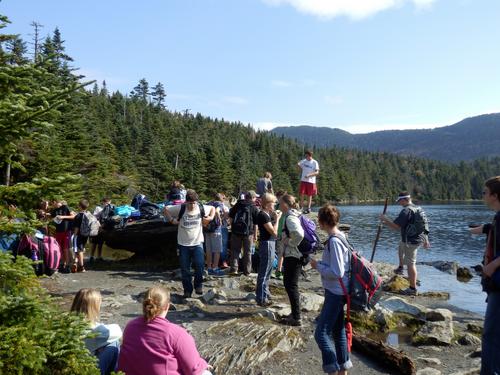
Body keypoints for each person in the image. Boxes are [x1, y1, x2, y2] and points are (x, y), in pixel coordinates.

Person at [118, 286, 212, 375]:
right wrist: (203, 364)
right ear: (167, 306)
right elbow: (193, 370)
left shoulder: (130, 326)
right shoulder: (176, 334)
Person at [310, 204, 353, 375]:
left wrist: (317, 266)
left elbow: (337, 271)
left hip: (336, 292)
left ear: (322, 221)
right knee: (338, 331)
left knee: (320, 334)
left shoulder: (334, 241)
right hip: (340, 291)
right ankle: (343, 370)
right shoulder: (341, 235)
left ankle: (333, 369)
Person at [164, 190, 215, 297]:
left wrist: (210, 218)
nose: (192, 205)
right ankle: (187, 290)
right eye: (190, 203)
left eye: (194, 203)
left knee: (200, 265)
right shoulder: (181, 208)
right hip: (183, 244)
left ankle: (198, 285)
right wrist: (172, 220)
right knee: (185, 268)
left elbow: (213, 208)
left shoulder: (201, 207)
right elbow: (165, 209)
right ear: (186, 202)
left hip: (197, 243)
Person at [472, 176, 500, 375]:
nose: (482, 196)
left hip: (499, 283)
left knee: (491, 333)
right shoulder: (498, 217)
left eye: (484, 192)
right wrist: (485, 229)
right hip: (496, 283)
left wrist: (491, 267)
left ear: (495, 195)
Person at [380, 192, 430, 296]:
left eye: (400, 201)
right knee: (400, 247)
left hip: (411, 241)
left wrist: (385, 219)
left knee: (411, 264)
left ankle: (412, 288)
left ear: (405, 199)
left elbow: (396, 227)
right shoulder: (419, 209)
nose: (399, 203)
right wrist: (426, 239)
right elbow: (425, 225)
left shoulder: (406, 211)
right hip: (415, 239)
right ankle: (401, 267)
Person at [71, 288, 122, 375]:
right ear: (93, 307)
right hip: (88, 368)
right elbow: (118, 331)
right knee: (114, 343)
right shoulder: (95, 330)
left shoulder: (69, 323)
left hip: (73, 364)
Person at [279, 194, 304, 326]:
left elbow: (299, 234)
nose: (278, 205)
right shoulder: (295, 214)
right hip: (296, 255)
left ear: (285, 204)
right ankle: (294, 313)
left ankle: (297, 317)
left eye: (280, 203)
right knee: (290, 284)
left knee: (291, 285)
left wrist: (290, 242)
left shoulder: (290, 217)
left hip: (294, 255)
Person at [255, 193, 281, 306]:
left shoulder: (266, 214)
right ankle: (261, 298)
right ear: (266, 204)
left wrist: (273, 218)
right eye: (273, 203)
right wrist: (277, 219)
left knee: (268, 270)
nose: (275, 205)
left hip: (269, 243)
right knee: (264, 271)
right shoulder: (263, 215)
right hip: (267, 244)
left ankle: (265, 293)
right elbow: (274, 233)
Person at [228, 191, 260, 276]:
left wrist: (233, 228)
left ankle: (234, 269)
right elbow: (256, 224)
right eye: (255, 197)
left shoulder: (238, 204)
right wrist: (255, 235)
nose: (256, 199)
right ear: (253, 198)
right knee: (248, 252)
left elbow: (230, 218)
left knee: (235, 250)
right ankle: (247, 271)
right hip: (248, 233)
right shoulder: (254, 207)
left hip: (236, 232)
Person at [51, 199, 76, 273]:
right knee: (59, 247)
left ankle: (68, 265)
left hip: (66, 230)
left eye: (53, 203)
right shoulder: (55, 210)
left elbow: (73, 216)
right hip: (58, 231)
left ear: (57, 202)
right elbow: (52, 217)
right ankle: (62, 263)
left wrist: (63, 217)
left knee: (66, 248)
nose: (53, 205)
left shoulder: (65, 207)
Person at [205, 193, 226, 276]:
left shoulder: (208, 203)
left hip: (207, 229)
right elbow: (217, 211)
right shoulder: (219, 204)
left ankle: (209, 268)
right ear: (221, 199)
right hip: (216, 229)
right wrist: (220, 219)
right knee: (217, 250)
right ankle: (215, 267)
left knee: (209, 250)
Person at [90, 197, 114, 263]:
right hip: (97, 226)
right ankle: (91, 256)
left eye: (108, 202)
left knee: (100, 243)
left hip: (103, 227)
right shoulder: (98, 208)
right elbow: (94, 216)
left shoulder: (109, 208)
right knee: (94, 242)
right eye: (106, 202)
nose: (107, 204)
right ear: (103, 202)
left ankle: (99, 256)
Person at [72, 199, 93, 273]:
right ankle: (75, 263)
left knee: (79, 250)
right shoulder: (88, 214)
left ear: (80, 206)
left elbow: (76, 227)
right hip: (86, 234)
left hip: (79, 235)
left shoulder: (78, 216)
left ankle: (82, 267)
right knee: (80, 249)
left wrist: (74, 235)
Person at [274, 190, 287, 280]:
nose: (279, 199)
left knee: (282, 253)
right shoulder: (277, 206)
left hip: (284, 232)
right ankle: (279, 269)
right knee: (280, 252)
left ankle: (279, 270)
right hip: (278, 232)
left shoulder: (285, 207)